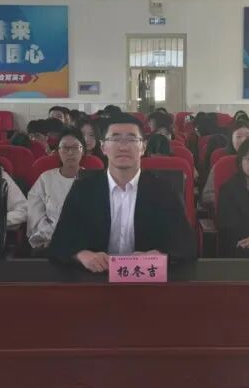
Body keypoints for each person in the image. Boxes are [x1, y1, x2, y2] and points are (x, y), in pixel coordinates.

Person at [47, 114, 197, 272]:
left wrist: (159, 255)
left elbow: (187, 246)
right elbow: (59, 242)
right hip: (96, 277)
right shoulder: (84, 188)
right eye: (115, 139)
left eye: (131, 140)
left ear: (143, 147)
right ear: (103, 147)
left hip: (145, 277)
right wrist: (81, 255)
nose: (123, 147)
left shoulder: (163, 190)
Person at [27, 129, 86, 251]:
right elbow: (35, 215)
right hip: (49, 242)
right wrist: (53, 236)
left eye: (75, 148)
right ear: (58, 151)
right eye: (65, 148)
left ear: (83, 150)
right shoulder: (46, 178)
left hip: (86, 244)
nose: (70, 152)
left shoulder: (94, 179)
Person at [202, 121, 249, 209]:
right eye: (238, 136)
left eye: (248, 137)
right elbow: (206, 196)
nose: (244, 140)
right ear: (232, 140)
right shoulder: (222, 164)